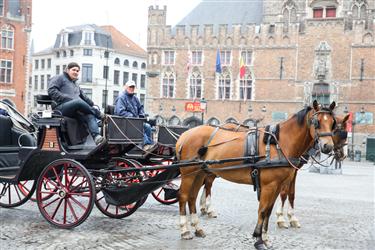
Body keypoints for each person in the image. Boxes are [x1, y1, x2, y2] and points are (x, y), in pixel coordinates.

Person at [47, 62, 105, 145]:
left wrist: (92, 104)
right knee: (78, 102)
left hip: (74, 109)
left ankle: (96, 137)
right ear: (67, 70)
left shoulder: (75, 84)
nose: (76, 72)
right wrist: (66, 98)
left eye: (77, 71)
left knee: (89, 115)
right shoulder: (59, 78)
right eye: (73, 70)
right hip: (60, 108)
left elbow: (83, 97)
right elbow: (51, 90)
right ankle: (99, 115)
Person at [114, 80, 155, 151]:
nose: (132, 88)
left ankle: (149, 144)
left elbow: (140, 108)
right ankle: (145, 144)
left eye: (133, 87)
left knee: (147, 127)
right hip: (125, 123)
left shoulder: (135, 98)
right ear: (126, 87)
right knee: (139, 126)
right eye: (130, 87)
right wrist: (133, 117)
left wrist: (141, 115)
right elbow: (120, 112)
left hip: (134, 121)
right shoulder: (121, 98)